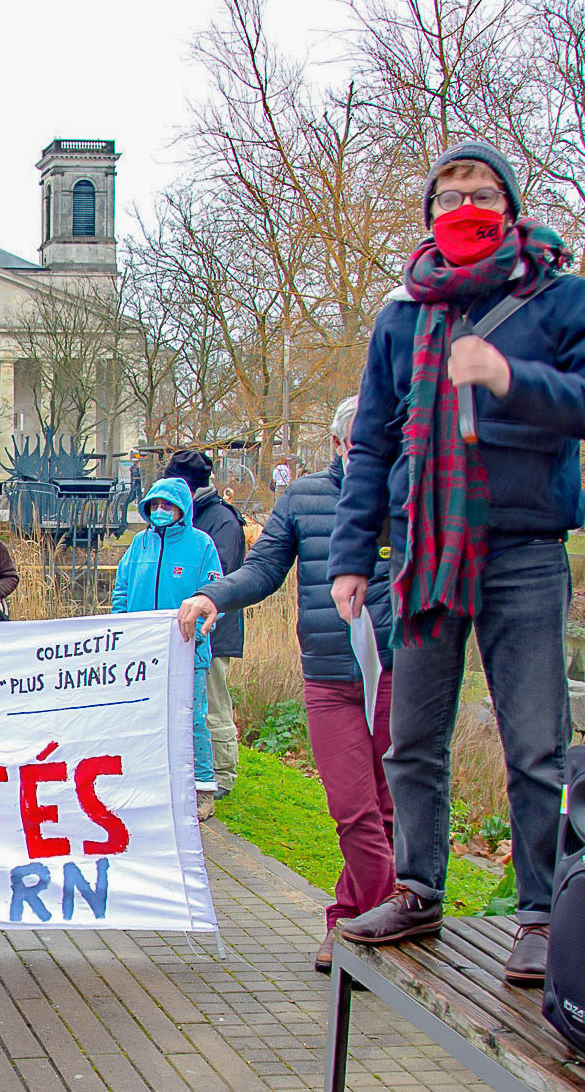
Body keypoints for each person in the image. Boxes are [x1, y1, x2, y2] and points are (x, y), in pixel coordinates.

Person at [332, 141, 585, 984]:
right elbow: (373, 444)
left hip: (523, 551)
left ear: (507, 204)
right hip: (428, 549)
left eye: (477, 191)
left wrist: (514, 377)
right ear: (428, 216)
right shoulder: (405, 314)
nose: (461, 205)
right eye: (446, 194)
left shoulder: (562, 296)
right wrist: (353, 555)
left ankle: (540, 914)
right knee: (412, 737)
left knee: (535, 743)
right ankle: (418, 887)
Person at [180, 398, 399, 971]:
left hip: (401, 670)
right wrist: (214, 595)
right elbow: (264, 567)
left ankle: (349, 920)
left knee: (391, 806)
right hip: (330, 674)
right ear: (339, 446)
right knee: (353, 808)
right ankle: (387, 919)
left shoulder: (409, 493)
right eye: (363, 446)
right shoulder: (304, 498)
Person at [112, 477, 223, 817]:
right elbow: (122, 590)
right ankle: (149, 780)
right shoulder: (139, 545)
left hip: (188, 649)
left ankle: (202, 787)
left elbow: (213, 595)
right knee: (143, 714)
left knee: (192, 719)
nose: (161, 511)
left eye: (168, 506)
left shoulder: (201, 545)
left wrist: (198, 634)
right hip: (144, 653)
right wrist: (122, 629)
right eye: (155, 506)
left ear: (182, 509)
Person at [163, 449, 247, 797]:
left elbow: (223, 579)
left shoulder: (222, 522)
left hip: (214, 628)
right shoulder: (180, 519)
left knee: (212, 702)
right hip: (180, 628)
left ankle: (223, 773)